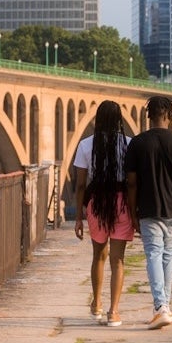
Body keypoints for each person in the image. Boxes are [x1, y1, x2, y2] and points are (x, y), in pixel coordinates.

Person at [125, 96, 172, 330]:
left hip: (147, 207)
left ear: (149, 116)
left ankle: (160, 307)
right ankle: (164, 306)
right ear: (171, 115)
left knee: (154, 254)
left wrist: (132, 212)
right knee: (168, 255)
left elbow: (131, 182)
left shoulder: (137, 143)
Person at [72, 101, 134, 326]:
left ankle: (96, 304)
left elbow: (80, 185)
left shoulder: (86, 145)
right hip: (122, 203)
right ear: (119, 119)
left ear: (98, 119)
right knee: (118, 260)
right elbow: (133, 182)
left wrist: (78, 216)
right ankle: (114, 312)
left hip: (97, 203)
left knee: (98, 255)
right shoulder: (129, 144)